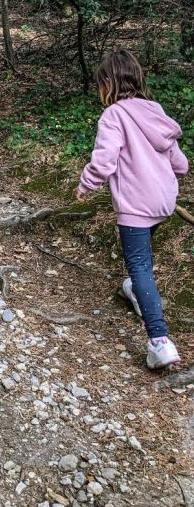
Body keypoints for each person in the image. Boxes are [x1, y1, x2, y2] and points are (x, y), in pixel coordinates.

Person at [75, 49, 188, 369]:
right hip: (164, 201)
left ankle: (159, 342)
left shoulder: (114, 115)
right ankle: (135, 289)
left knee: (140, 265)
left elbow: (104, 161)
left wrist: (86, 184)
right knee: (140, 259)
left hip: (136, 204)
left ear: (108, 84)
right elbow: (179, 163)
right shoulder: (155, 110)